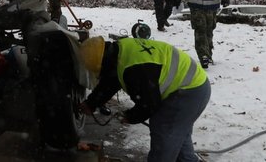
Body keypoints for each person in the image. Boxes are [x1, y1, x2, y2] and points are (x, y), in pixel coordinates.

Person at [78, 35, 211, 162]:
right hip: (195, 83)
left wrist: (131, 116)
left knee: (164, 126)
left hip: (189, 91)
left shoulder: (134, 70)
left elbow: (149, 105)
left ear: (104, 64)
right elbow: (112, 81)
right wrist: (91, 103)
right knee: (178, 129)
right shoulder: (121, 50)